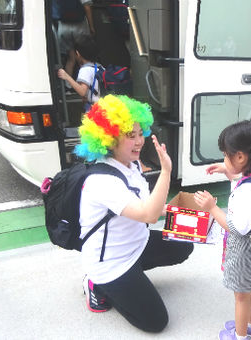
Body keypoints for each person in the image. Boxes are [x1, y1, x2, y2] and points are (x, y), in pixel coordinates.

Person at [75, 94, 194, 332]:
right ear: (108, 140)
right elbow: (148, 215)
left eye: (140, 133)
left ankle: (133, 279)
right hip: (112, 263)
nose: (140, 141)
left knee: (184, 245)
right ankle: (98, 285)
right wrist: (166, 172)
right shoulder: (102, 181)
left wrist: (171, 212)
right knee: (156, 322)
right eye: (131, 136)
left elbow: (147, 205)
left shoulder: (133, 165)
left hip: (136, 244)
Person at [194, 121, 251, 340]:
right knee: (250, 289)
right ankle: (250, 325)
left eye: (226, 156)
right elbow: (241, 184)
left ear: (240, 157)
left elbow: (236, 227)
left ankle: (240, 337)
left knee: (240, 297)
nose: (224, 160)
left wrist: (212, 208)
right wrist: (227, 171)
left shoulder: (249, 192)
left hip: (243, 255)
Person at [52, 0, 96, 81]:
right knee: (84, 57)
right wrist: (91, 27)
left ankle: (68, 86)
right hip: (79, 27)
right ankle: (85, 83)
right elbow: (87, 7)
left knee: (71, 58)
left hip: (63, 27)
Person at [57, 36, 102, 110]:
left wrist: (67, 77)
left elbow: (82, 91)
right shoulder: (99, 67)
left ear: (77, 53)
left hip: (94, 109)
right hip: (103, 106)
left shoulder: (85, 70)